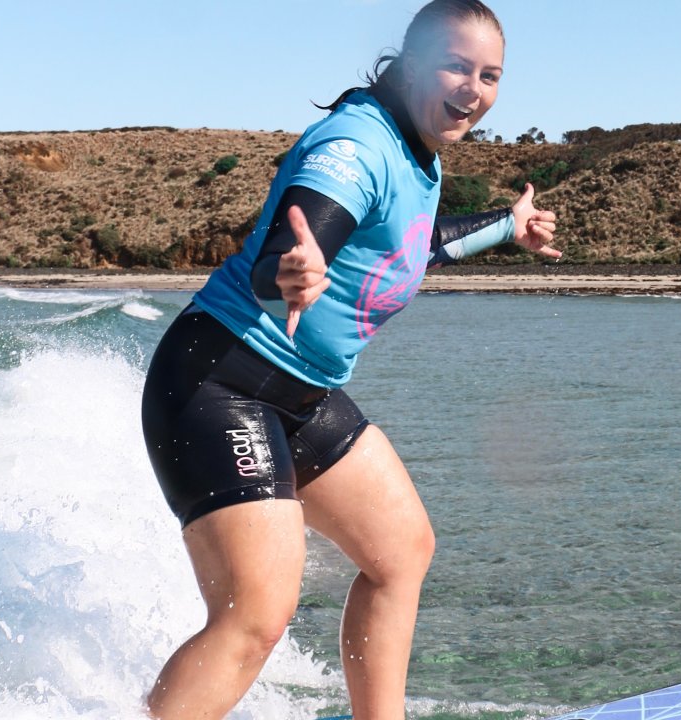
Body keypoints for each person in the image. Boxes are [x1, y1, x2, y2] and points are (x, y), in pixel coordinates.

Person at [139, 2, 559, 718]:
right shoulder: (358, 143)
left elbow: (411, 244)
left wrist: (507, 225)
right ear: (413, 63)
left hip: (301, 392)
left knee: (401, 553)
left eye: (490, 75)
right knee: (255, 615)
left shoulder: (415, 151)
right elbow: (292, 242)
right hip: (221, 381)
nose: (473, 89)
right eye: (456, 66)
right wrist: (290, 269)